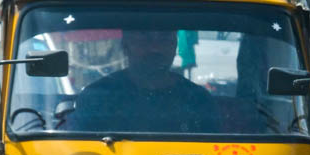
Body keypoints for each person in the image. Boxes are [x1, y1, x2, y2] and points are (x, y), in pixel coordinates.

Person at [67, 28, 215, 134]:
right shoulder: (97, 97)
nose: (155, 48)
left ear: (175, 45)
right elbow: (81, 154)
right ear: (125, 45)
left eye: (164, 38)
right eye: (144, 38)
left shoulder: (197, 99)